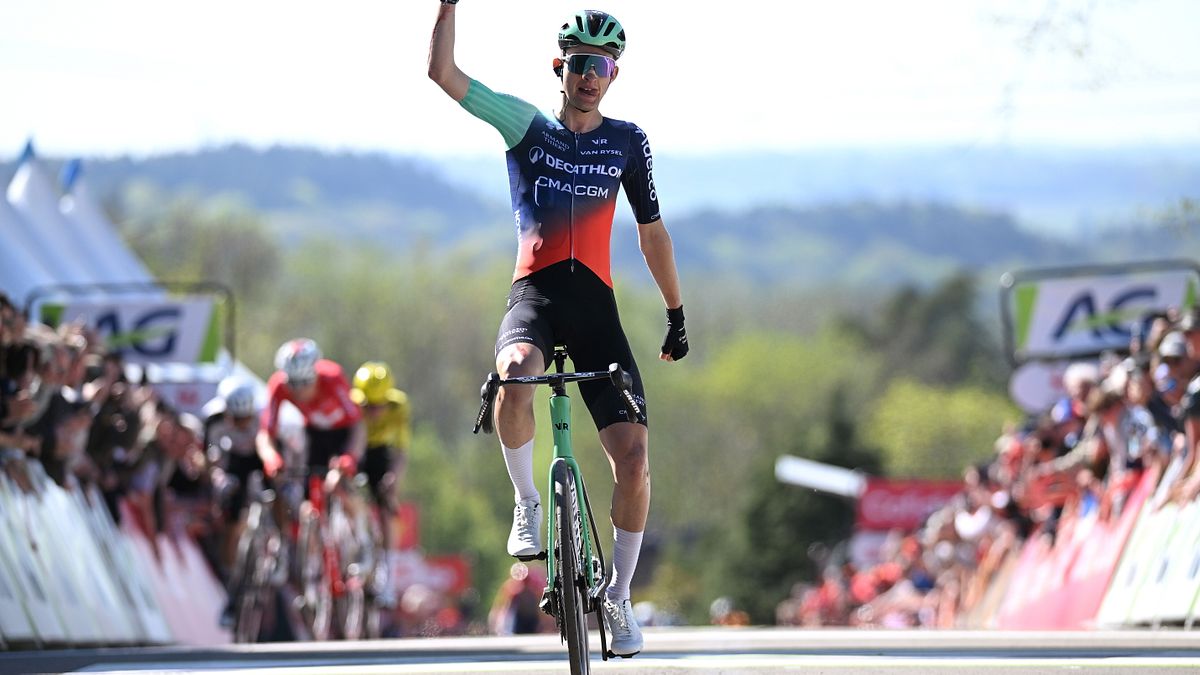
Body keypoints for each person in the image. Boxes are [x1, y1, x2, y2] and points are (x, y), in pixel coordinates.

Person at [429, 5, 689, 657]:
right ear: (560, 68)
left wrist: (676, 313)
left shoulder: (626, 140)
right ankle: (528, 502)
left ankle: (618, 595)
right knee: (514, 376)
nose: (589, 76)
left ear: (613, 75)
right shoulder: (526, 125)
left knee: (634, 460)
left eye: (601, 66)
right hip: (536, 298)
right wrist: (447, 6)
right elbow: (443, 73)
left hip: (596, 310)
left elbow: (652, 232)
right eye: (579, 64)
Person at [256, 338, 366, 488]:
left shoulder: (333, 377)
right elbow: (265, 433)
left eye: (306, 382)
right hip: (315, 432)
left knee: (343, 483)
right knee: (311, 486)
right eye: (293, 384)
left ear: (316, 375)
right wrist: (271, 458)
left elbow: (358, 425)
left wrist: (351, 456)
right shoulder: (278, 385)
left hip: (344, 432)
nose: (299, 390)